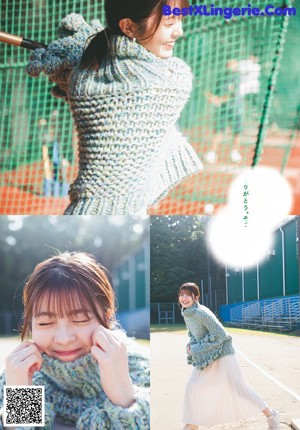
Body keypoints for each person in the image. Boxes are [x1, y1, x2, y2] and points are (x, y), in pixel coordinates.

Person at [26, 0, 202, 215]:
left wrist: (80, 59)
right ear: (128, 27)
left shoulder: (84, 77)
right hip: (117, 211)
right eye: (169, 23)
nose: (179, 31)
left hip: (86, 208)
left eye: (180, 21)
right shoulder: (170, 78)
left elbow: (84, 78)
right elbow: (157, 79)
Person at [0, 252, 150, 429]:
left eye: (80, 320)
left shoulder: (145, 373)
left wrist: (125, 396)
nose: (64, 339)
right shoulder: (16, 377)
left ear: (107, 317)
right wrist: (20, 402)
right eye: (45, 322)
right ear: (31, 324)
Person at [178, 282, 280, 430]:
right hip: (208, 356)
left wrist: (194, 348)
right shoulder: (187, 313)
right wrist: (191, 345)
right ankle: (192, 425)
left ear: (196, 297)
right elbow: (195, 335)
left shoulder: (200, 312)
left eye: (188, 295)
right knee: (192, 387)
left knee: (239, 388)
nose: (184, 298)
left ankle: (271, 415)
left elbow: (221, 335)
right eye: (182, 295)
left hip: (224, 354)